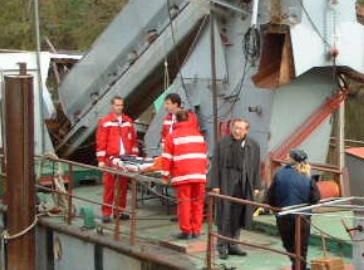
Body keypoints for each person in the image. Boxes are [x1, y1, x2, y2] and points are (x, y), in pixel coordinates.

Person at [148, 111, 208, 240]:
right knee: (198, 203)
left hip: (183, 176)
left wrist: (165, 176)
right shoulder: (198, 135)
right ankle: (196, 230)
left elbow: (167, 158)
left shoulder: (172, 136)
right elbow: (204, 155)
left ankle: (186, 231)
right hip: (199, 175)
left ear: (176, 121)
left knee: (184, 204)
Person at [209, 118, 262, 259]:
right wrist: (215, 185)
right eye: (235, 128)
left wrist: (256, 186)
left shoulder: (253, 146)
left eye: (240, 128)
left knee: (239, 215)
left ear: (246, 130)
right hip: (226, 183)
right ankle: (222, 245)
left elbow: (256, 167)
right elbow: (215, 166)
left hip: (244, 184)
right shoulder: (222, 144)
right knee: (224, 215)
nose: (237, 131)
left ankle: (233, 244)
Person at [267, 149, 321, 270]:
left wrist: (275, 208)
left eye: (288, 156)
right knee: (301, 249)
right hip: (303, 217)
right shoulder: (307, 176)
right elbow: (315, 198)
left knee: (290, 247)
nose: (285, 157)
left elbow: (270, 197)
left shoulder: (279, 174)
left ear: (291, 159)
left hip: (284, 216)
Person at [96, 96, 138, 223]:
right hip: (111, 158)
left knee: (123, 187)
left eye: (121, 105)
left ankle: (120, 211)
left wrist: (134, 158)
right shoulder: (105, 122)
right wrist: (101, 160)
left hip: (125, 159)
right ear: (112, 106)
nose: (119, 107)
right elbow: (101, 142)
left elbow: (133, 141)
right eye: (117, 105)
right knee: (109, 186)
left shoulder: (128, 121)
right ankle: (107, 212)